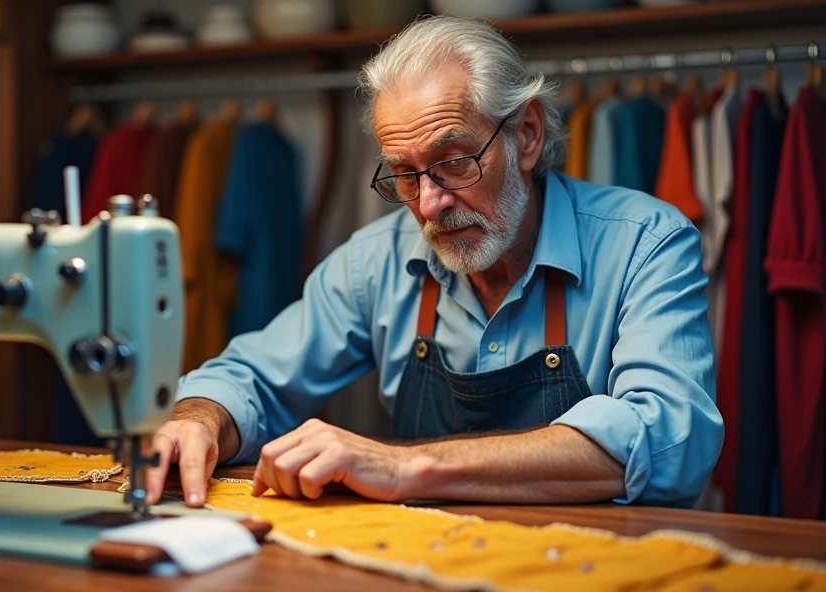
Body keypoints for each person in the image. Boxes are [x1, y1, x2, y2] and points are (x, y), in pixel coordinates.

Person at [145, 15, 723, 510]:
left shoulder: (646, 243)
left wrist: (406, 467)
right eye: (403, 173)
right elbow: (251, 375)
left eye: (453, 161)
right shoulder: (378, 259)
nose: (429, 204)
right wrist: (198, 418)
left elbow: (668, 437)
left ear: (524, 135)